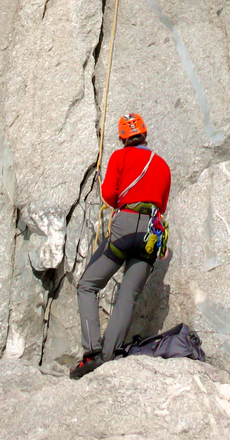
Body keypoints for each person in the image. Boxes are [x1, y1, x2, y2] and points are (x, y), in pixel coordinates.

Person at [70, 113, 172, 379]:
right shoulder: (161, 165)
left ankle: (92, 354)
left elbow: (108, 195)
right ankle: (108, 355)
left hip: (125, 227)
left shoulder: (119, 157)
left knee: (88, 285)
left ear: (122, 137)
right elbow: (162, 203)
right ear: (145, 134)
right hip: (151, 233)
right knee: (128, 296)